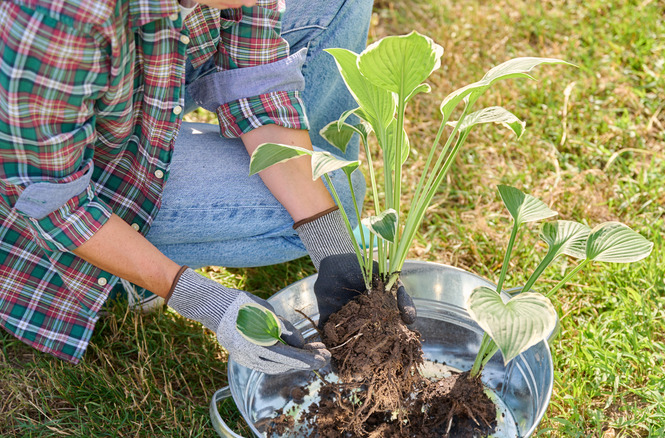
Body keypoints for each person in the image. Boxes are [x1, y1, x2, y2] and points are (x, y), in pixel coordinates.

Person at [0, 0, 414, 374]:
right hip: (38, 177)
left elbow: (258, 83)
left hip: (132, 82)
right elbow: (51, 202)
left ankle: (314, 210)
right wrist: (200, 298)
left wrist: (331, 246)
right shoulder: (56, 17)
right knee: (340, 189)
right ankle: (114, 274)